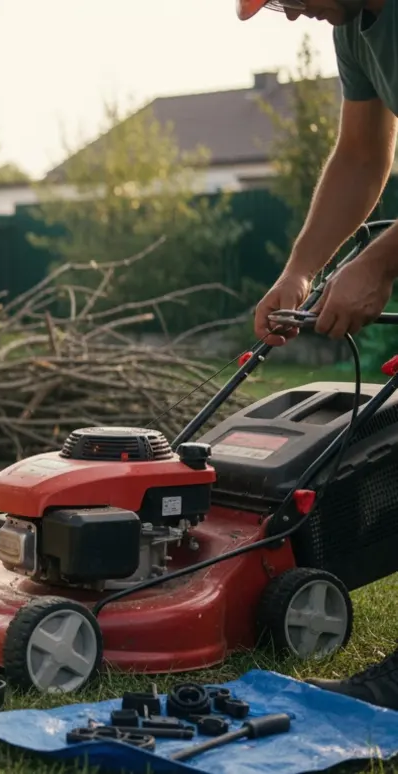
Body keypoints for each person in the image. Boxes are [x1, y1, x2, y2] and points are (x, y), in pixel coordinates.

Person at [240, 0, 398, 708]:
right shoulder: (354, 28)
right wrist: (301, 268)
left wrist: (382, 262)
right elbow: (364, 155)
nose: (289, 11)